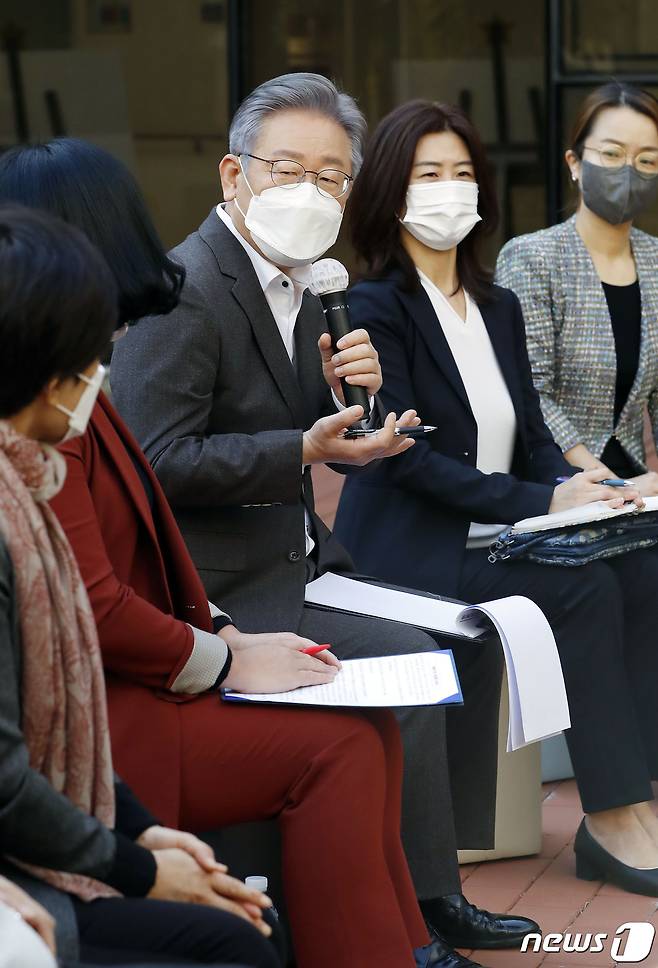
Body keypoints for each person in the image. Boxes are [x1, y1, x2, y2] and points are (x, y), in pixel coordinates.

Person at [109, 72, 538, 962]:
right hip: (224, 590)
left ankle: (430, 897)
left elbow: (287, 424)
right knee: (412, 674)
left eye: (333, 176)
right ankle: (415, 924)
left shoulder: (300, 281)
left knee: (451, 649)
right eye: (288, 169)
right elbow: (152, 463)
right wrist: (304, 448)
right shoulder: (187, 287)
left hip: (301, 561)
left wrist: (356, 420)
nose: (312, 193)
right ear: (234, 175)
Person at [0, 145, 445, 968]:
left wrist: (226, 635)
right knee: (337, 748)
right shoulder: (43, 422)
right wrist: (220, 657)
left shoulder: (71, 398)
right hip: (115, 701)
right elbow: (95, 601)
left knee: (371, 725)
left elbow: (138, 559)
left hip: (162, 655)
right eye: (293, 167)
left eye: (333, 173)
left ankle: (405, 943)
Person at [332, 97, 658, 897]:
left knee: (644, 565)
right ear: (391, 193)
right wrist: (536, 501)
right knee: (581, 588)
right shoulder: (375, 307)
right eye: (428, 174)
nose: (450, 189)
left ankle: (637, 798)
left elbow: (532, 430)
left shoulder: (497, 306)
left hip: (500, 536)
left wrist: (575, 488)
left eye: (463, 173)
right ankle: (612, 821)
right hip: (418, 551)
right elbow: (406, 461)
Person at [0, 205, 280, 968]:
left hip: (63, 838)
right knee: (235, 947)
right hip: (31, 878)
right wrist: (144, 866)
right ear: (43, 363)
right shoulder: (17, 502)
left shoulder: (32, 478)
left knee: (245, 934)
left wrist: (142, 830)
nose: (102, 374)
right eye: (93, 356)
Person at [496, 82, 658, 487]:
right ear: (574, 162)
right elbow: (531, 390)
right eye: (611, 153)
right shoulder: (532, 257)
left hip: (638, 487)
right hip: (556, 484)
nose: (628, 169)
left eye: (647, 160)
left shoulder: (656, 259)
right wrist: (603, 480)